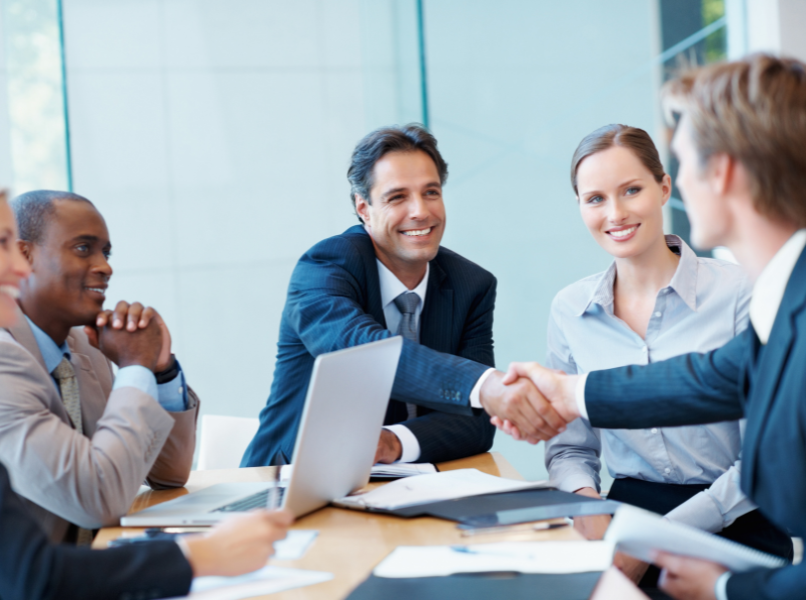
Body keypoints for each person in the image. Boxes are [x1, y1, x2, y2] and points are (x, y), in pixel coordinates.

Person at [493, 54, 806, 600]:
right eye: (594, 198)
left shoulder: (759, 295)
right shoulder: (782, 302)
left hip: (737, 538)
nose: (680, 180)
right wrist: (565, 394)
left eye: (681, 163)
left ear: (722, 171)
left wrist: (730, 586)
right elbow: (707, 380)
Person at [0, 171, 291, 599]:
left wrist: (157, 370)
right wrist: (199, 557)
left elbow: (163, 471)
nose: (18, 266)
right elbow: (38, 568)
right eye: (1, 244)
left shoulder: (77, 348)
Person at [544, 124, 791, 590]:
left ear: (663, 188)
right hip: (622, 516)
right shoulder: (569, 309)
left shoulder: (740, 291)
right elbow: (570, 444)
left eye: (631, 190)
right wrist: (585, 505)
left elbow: (762, 453)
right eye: (594, 198)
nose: (614, 213)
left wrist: (653, 542)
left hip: (737, 517)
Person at [242, 124, 548, 468]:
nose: (420, 211)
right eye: (397, 197)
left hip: (410, 490)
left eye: (431, 192)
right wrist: (488, 386)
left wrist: (392, 443)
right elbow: (364, 353)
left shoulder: (472, 285)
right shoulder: (325, 267)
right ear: (364, 209)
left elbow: (475, 423)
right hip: (288, 485)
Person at [0, 190, 198, 544]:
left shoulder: (87, 348)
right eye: (83, 248)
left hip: (98, 563)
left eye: (106, 252)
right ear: (22, 256)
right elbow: (96, 502)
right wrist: (135, 367)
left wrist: (159, 370)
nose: (106, 266)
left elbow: (168, 474)